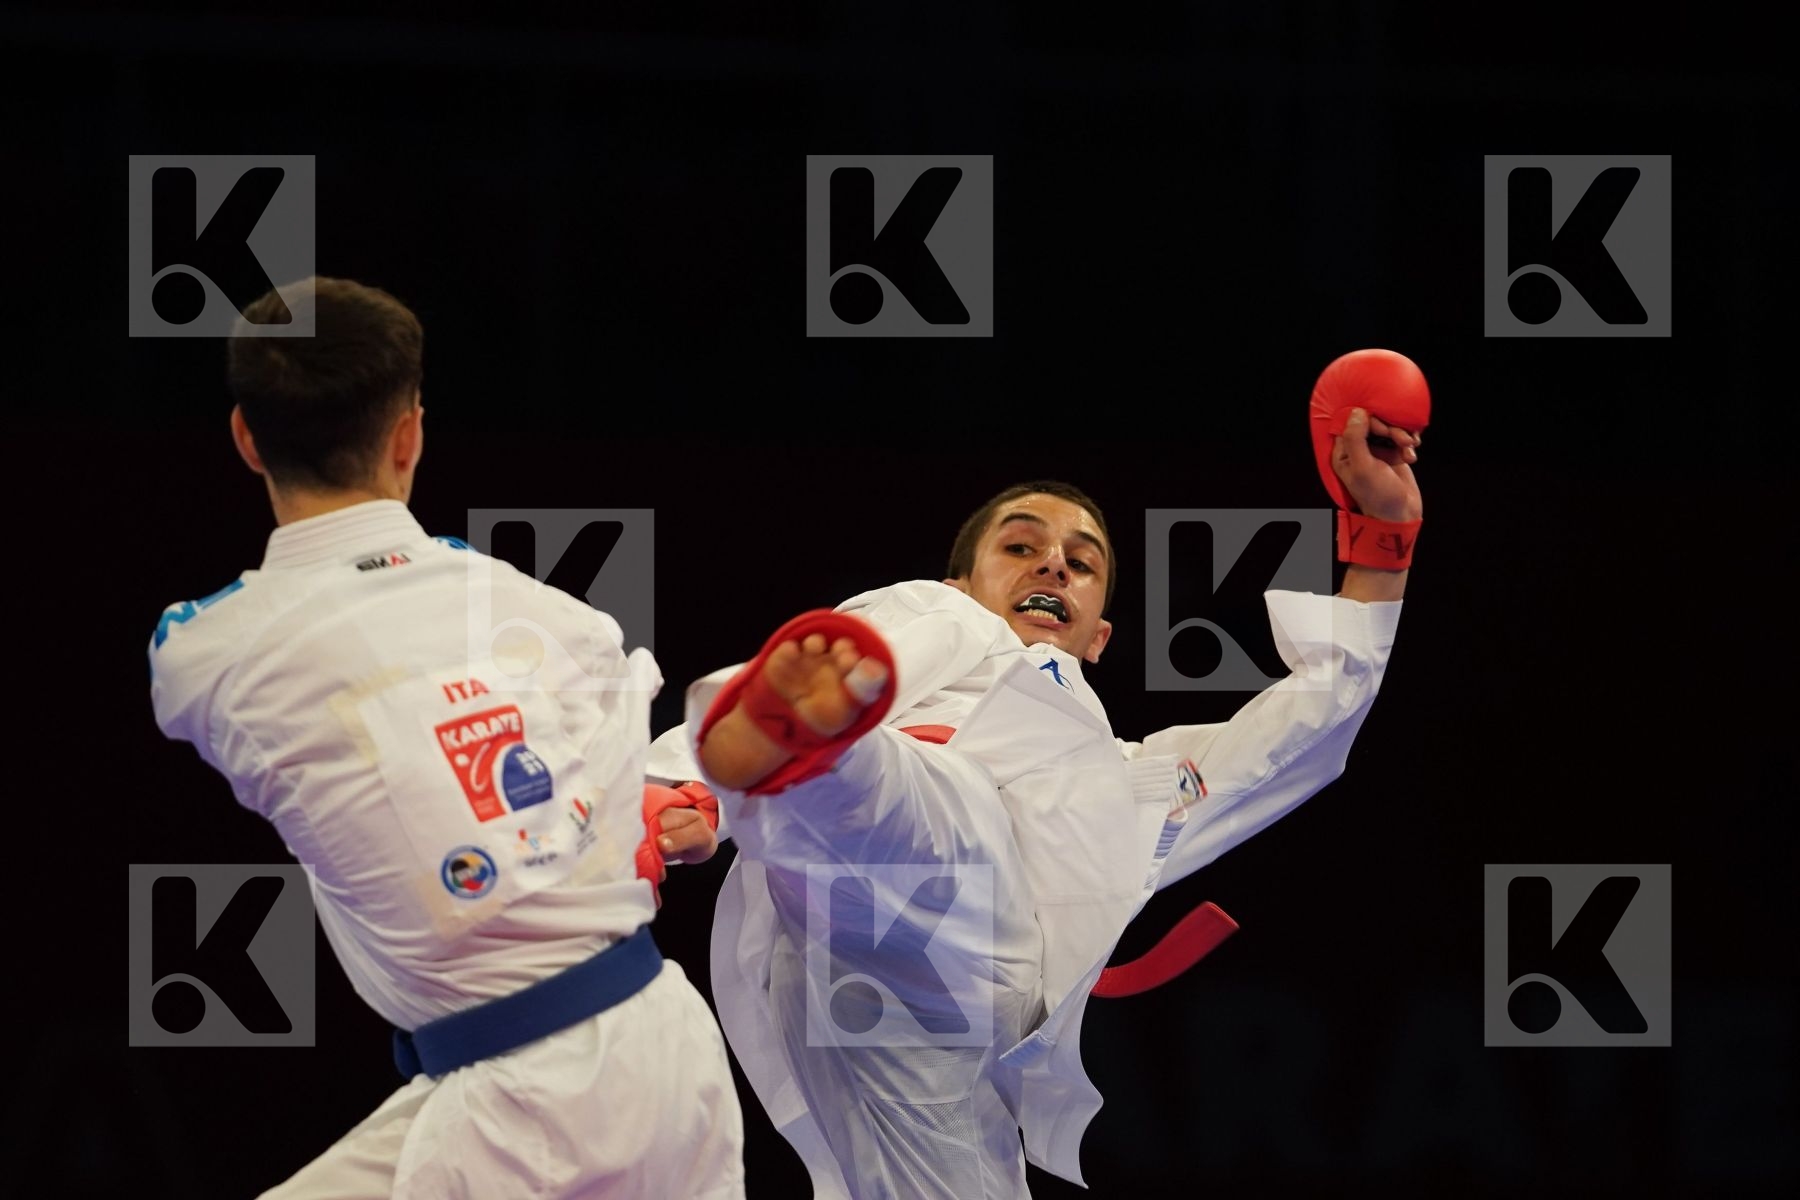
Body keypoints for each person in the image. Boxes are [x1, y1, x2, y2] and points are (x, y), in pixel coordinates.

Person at [646, 350, 1426, 1199]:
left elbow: (1311, 724)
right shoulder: (939, 617)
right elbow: (910, 632)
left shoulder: (1132, 783)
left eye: (1081, 562)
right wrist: (679, 794)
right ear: (965, 581)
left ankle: (779, 766)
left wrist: (1384, 538)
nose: (1053, 564)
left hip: (925, 1025)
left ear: (1099, 637)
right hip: (871, 856)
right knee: (912, 795)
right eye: (1020, 545)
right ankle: (795, 757)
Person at [148, 276, 745, 1199]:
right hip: (652, 1046)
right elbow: (591, 771)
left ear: (244, 438)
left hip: (535, 1103)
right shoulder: (545, 617)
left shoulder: (205, 655)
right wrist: (651, 809)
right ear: (409, 435)